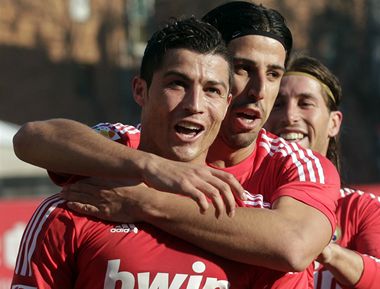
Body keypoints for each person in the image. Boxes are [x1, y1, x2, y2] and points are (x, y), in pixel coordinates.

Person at [13, 0, 340, 280]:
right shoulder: (132, 145)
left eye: (273, 74)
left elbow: (293, 246)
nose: (259, 90)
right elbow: (33, 138)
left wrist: (144, 202)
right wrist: (151, 167)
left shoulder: (298, 163)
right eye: (242, 68)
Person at [264, 55, 380, 289]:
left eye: (305, 103)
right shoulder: (244, 199)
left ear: (334, 123)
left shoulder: (362, 209)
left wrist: (318, 247)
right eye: (278, 104)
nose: (289, 116)